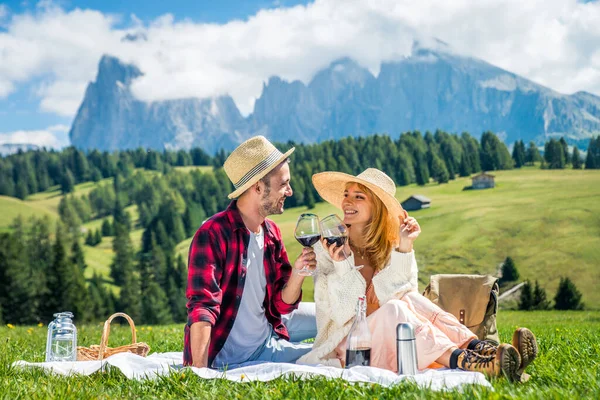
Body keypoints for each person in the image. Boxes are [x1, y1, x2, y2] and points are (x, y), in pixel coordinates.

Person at [297, 168, 538, 381]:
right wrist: (342, 265)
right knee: (395, 309)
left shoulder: (387, 247)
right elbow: (341, 313)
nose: (347, 202)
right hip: (345, 351)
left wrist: (405, 247)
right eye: (346, 195)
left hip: (385, 341)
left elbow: (407, 293)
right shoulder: (328, 248)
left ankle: (484, 349)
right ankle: (467, 360)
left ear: (377, 208)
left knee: (409, 300)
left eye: (358, 197)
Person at [184, 136, 317, 369]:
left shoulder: (271, 232)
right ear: (257, 187)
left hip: (267, 340)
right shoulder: (213, 234)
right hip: (229, 358)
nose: (291, 191)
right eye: (283, 184)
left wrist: (298, 274)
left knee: (337, 327)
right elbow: (202, 307)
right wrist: (200, 371)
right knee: (332, 359)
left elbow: (281, 306)